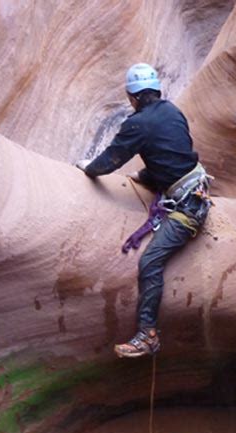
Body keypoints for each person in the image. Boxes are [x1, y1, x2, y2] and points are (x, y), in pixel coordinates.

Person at [76, 62, 212, 358]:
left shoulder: (138, 124)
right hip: (195, 186)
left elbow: (108, 162)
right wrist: (149, 177)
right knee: (151, 170)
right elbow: (176, 153)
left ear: (132, 97)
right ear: (156, 91)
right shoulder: (172, 111)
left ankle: (147, 336)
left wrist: (88, 168)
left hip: (189, 208)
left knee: (150, 262)